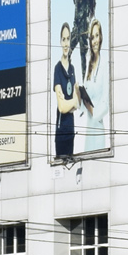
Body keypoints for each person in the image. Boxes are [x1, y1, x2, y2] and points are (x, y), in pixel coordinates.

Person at [78, 18, 109, 154]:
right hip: (88, 128)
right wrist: (78, 94)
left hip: (98, 127)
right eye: (92, 38)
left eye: (97, 36)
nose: (95, 40)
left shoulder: (105, 65)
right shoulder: (89, 65)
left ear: (101, 37)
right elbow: (84, 103)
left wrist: (91, 109)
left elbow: (105, 103)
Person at [53, 23, 78, 157]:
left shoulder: (73, 69)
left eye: (68, 39)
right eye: (64, 39)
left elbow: (77, 104)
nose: (66, 43)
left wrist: (73, 102)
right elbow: (62, 107)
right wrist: (73, 102)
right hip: (61, 131)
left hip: (71, 129)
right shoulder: (57, 69)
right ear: (60, 41)